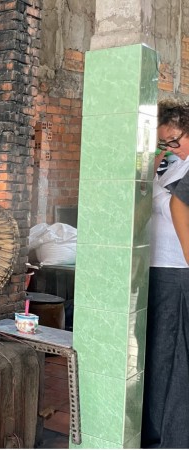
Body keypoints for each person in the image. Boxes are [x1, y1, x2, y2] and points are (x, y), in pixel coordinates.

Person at [142, 100, 189, 449]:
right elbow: (146, 196)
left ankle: (170, 438)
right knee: (156, 355)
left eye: (174, 140)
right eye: (163, 142)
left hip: (178, 273)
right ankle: (155, 431)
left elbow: (178, 207)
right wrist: (154, 159)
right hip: (156, 270)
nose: (169, 148)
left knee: (174, 360)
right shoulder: (172, 165)